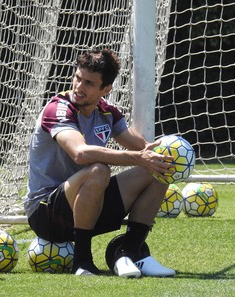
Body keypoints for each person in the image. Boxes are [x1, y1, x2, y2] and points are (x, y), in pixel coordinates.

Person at [24, 48, 176, 277]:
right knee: (98, 170)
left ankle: (130, 252)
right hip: (47, 214)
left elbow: (144, 149)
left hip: (89, 206)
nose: (78, 87)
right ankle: (82, 261)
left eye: (88, 83)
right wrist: (139, 158)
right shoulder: (58, 109)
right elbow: (80, 154)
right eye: (77, 78)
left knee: (159, 169)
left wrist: (172, 155)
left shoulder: (107, 113)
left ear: (106, 89)